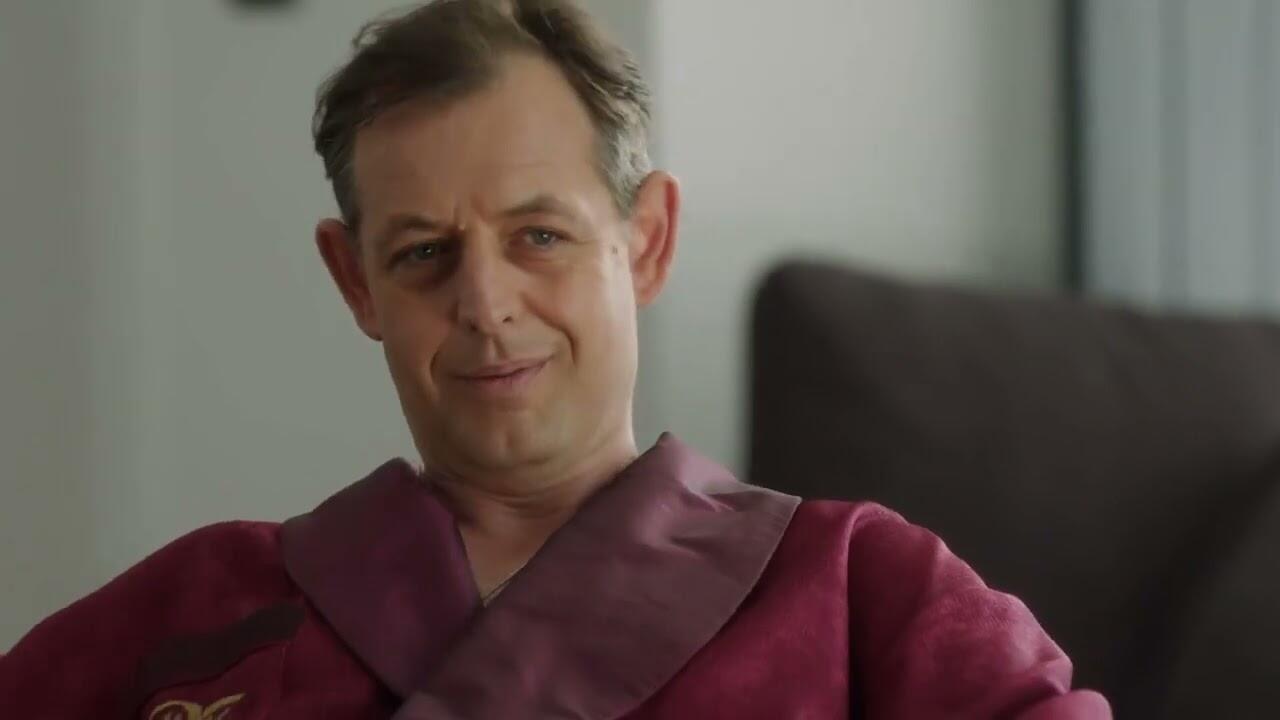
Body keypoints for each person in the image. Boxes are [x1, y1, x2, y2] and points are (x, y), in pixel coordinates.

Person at [0, 1, 1110, 717]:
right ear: (355, 282)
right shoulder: (198, 610)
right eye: (424, 253)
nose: (486, 306)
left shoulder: (864, 589)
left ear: (648, 241)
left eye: (538, 236)